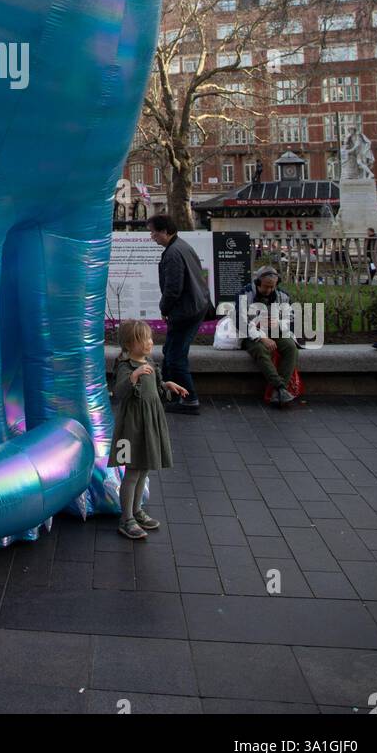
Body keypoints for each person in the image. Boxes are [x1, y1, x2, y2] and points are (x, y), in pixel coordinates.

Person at [108, 320, 187, 540]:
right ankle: (126, 519)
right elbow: (119, 392)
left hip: (149, 424)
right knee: (131, 472)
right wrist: (133, 377)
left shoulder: (150, 362)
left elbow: (156, 388)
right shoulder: (125, 366)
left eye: (150, 338)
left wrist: (167, 385)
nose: (150, 342)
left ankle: (136, 510)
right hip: (130, 428)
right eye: (144, 339)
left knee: (143, 469)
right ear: (129, 343)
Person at [148, 213, 210, 414]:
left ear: (165, 231)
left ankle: (189, 399)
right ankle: (168, 394)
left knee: (175, 356)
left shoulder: (173, 253)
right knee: (171, 351)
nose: (152, 237)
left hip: (185, 311)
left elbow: (173, 288)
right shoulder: (182, 246)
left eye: (154, 232)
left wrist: (164, 309)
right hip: (194, 308)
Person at [235, 265, 300, 406]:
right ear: (258, 283)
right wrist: (262, 337)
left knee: (290, 347)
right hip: (251, 334)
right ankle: (281, 388)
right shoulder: (244, 295)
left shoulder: (283, 296)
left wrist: (279, 324)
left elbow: (292, 319)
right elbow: (241, 324)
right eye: (266, 287)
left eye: (272, 287)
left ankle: (278, 393)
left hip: (276, 331)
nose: (269, 290)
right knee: (260, 350)